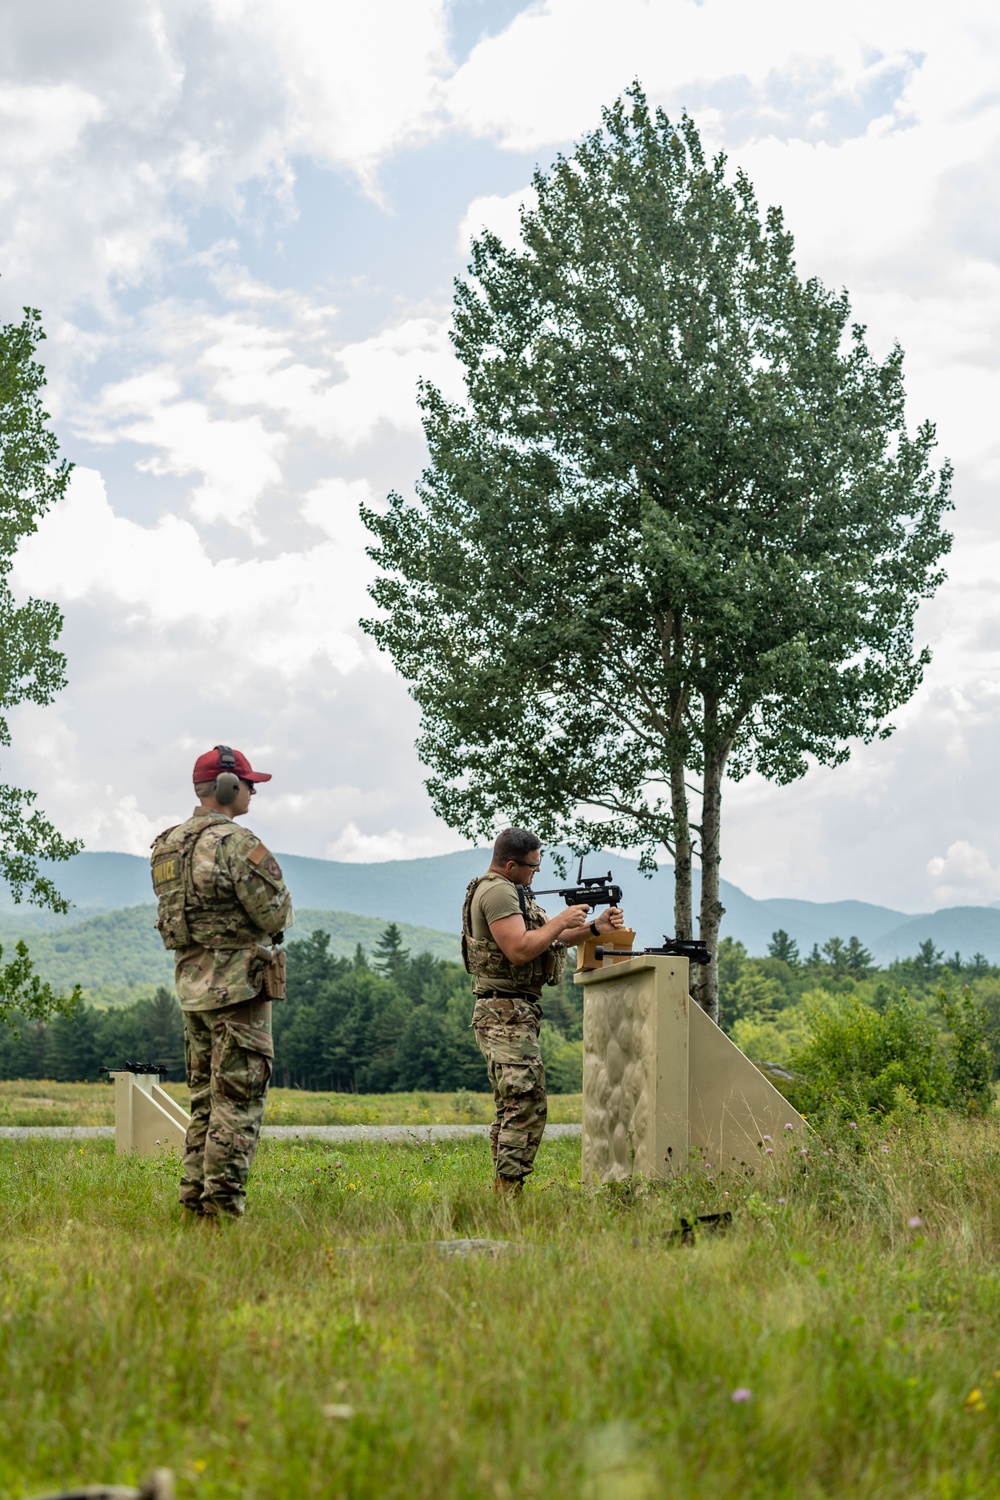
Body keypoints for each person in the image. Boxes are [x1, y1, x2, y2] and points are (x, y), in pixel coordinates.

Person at [149, 745, 293, 1220]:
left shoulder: (166, 845)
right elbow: (275, 913)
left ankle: (194, 1205)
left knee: (205, 1104)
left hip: (192, 990)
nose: (253, 791)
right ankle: (221, 1214)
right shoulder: (235, 843)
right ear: (229, 787)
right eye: (249, 783)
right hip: (239, 991)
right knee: (238, 1103)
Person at [462, 827, 625, 1194]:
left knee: (513, 1103)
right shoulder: (499, 891)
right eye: (532, 866)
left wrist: (593, 929)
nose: (537, 872)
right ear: (510, 863)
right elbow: (520, 950)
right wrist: (560, 920)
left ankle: (504, 1190)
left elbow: (547, 939)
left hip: (513, 1012)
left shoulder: (511, 889)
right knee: (526, 1101)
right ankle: (507, 1192)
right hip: (504, 1013)